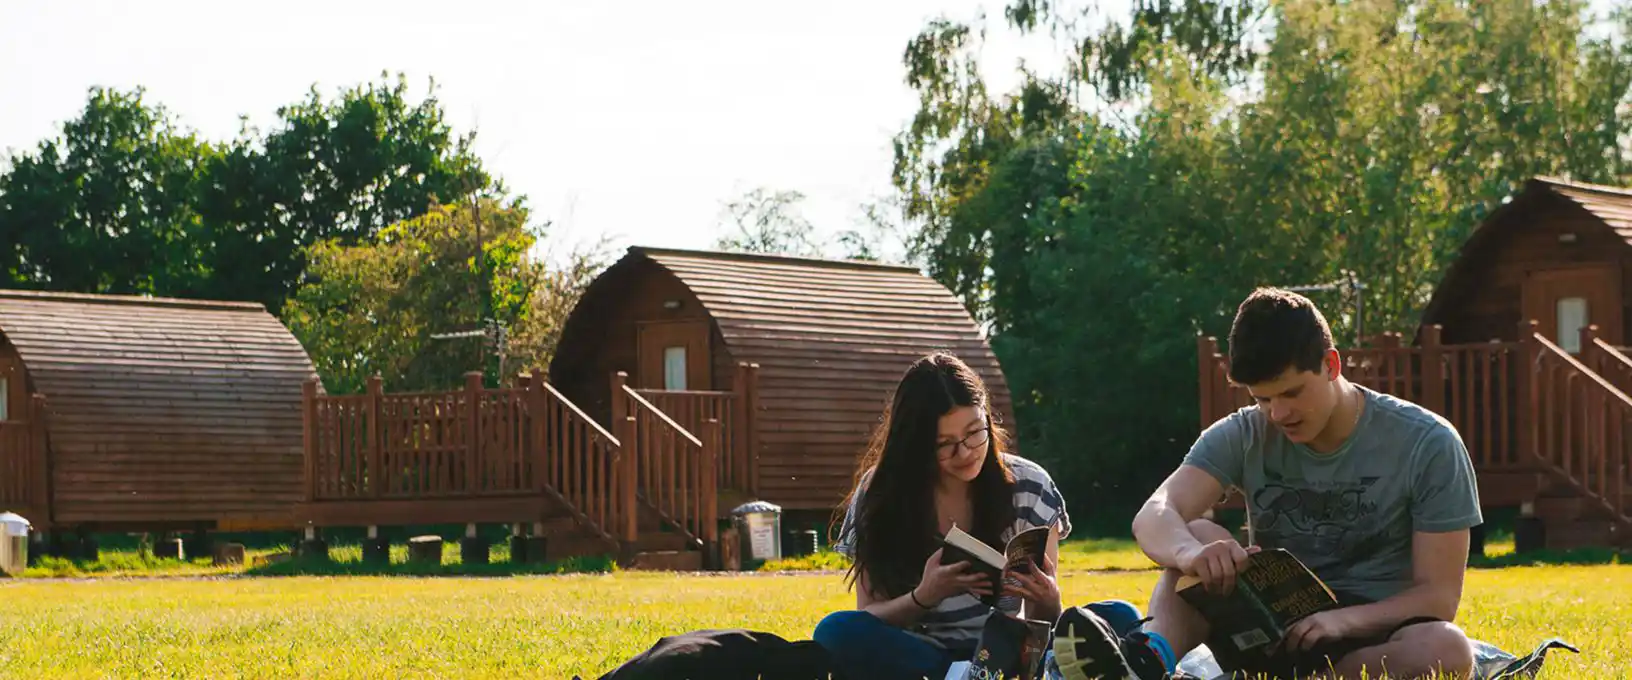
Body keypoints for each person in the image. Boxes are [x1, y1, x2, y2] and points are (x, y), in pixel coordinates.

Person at [1051, 288, 1483, 680]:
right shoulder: (1244, 432)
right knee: (1199, 534)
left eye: (1292, 393)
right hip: (1263, 630)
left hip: (1373, 639)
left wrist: (1341, 621)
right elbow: (1156, 512)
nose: (1277, 414)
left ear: (1332, 364)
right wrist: (1193, 554)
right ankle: (1148, 661)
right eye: (1262, 398)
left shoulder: (1428, 442)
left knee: (1448, 648)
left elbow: (1438, 597)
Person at [813, 351, 1128, 680]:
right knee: (836, 631)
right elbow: (869, 616)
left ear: (988, 419)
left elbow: (1040, 622)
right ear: (916, 444)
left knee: (1119, 616)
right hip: (930, 656)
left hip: (1013, 648)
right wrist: (925, 596)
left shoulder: (1029, 485)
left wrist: (1049, 599)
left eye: (975, 432)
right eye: (944, 443)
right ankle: (968, 675)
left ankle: (1002, 674)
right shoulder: (882, 493)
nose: (964, 453)